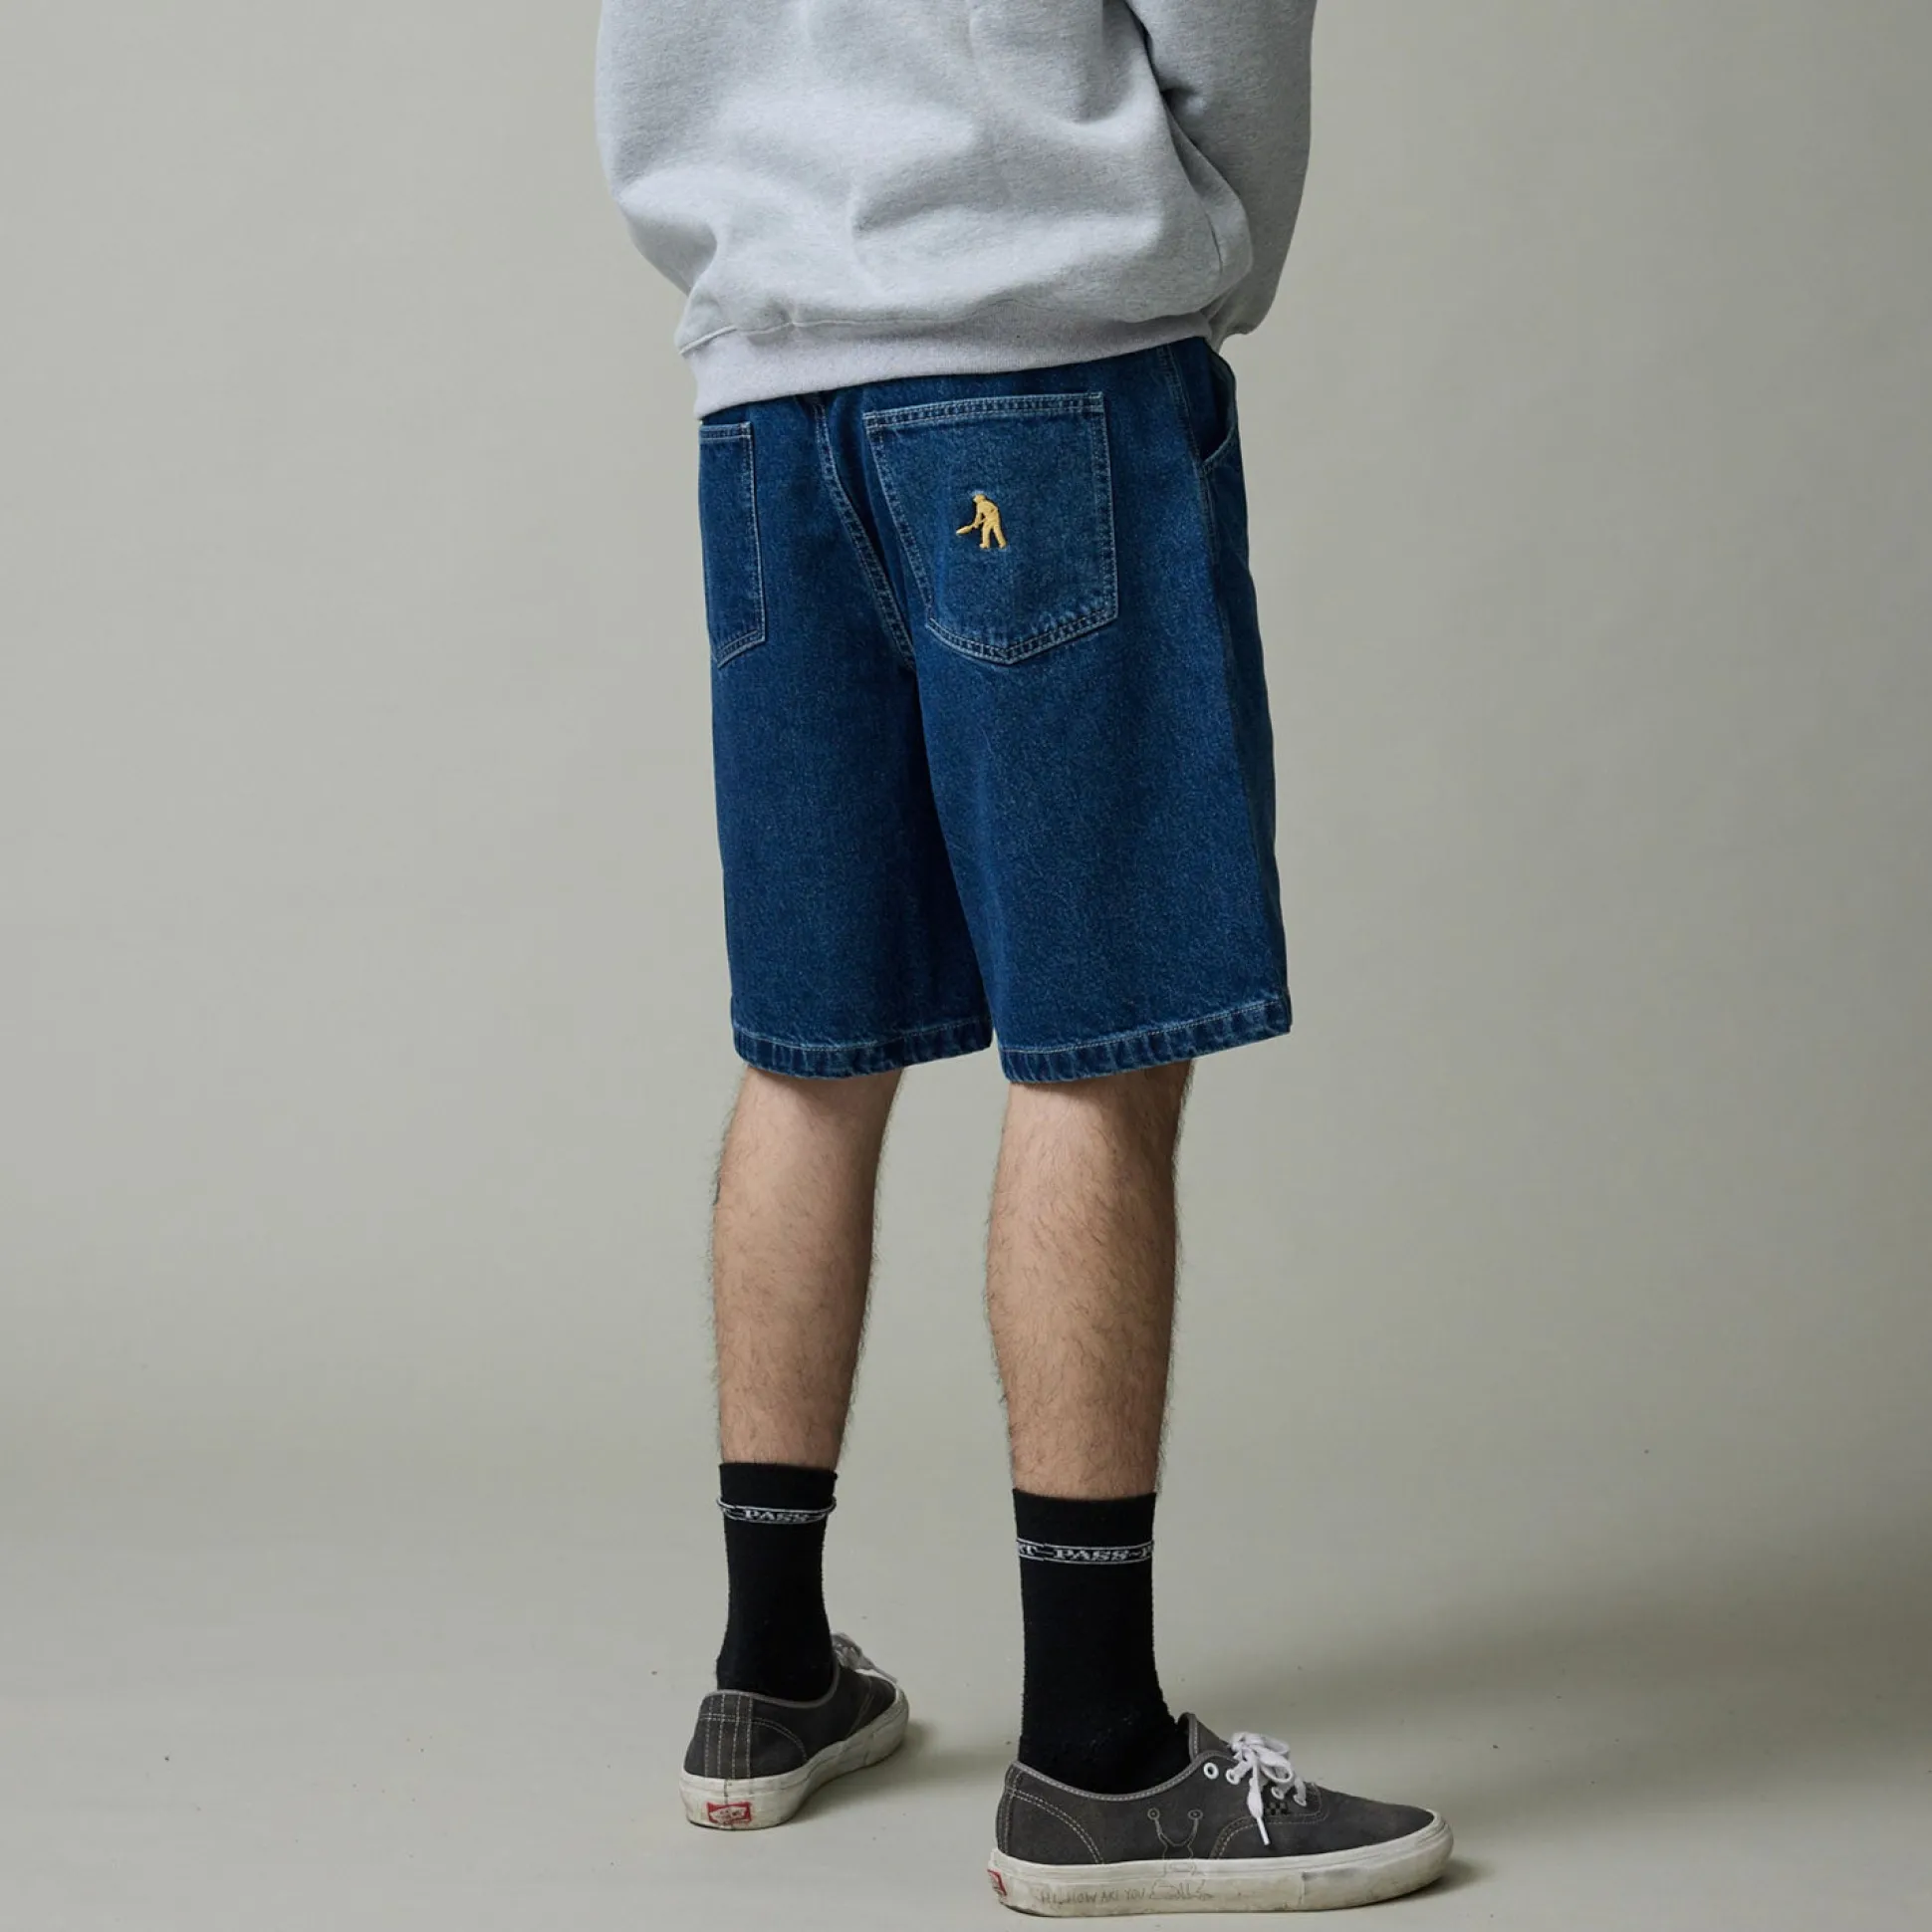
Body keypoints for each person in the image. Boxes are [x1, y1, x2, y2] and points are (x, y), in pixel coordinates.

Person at [593, 0, 1452, 1912]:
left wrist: (769, 257)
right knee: (1098, 1052)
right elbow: (1231, 41)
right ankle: (1095, 1755)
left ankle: (767, 1675)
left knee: (811, 1057)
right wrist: (1194, 250)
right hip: (1041, 366)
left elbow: (653, 61)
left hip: (770, 403)